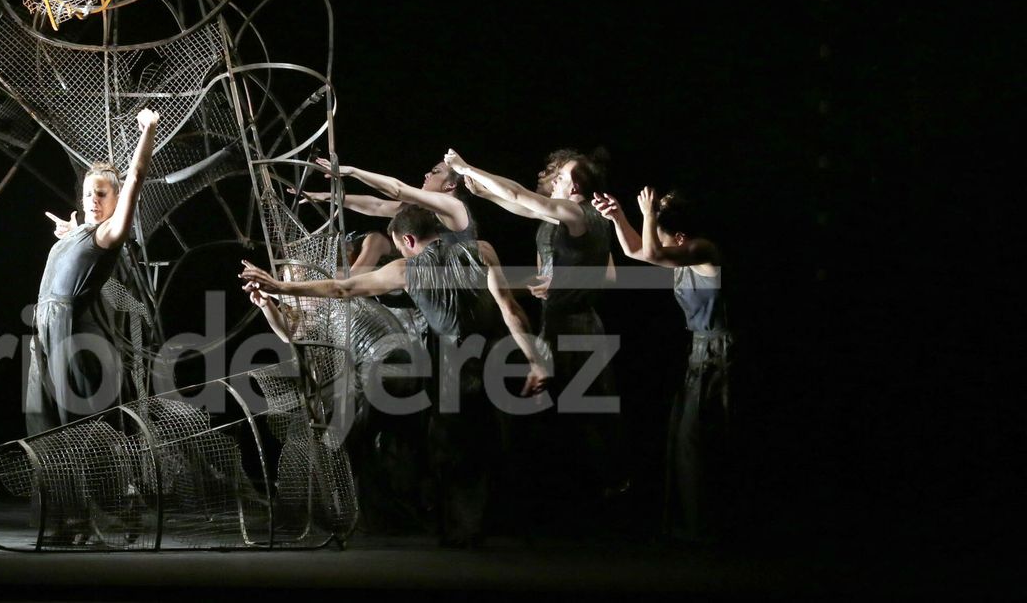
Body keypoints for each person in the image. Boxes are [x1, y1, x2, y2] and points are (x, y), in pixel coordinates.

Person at [241, 204, 543, 546]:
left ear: (409, 239)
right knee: (466, 439)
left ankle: (461, 528)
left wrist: (282, 288)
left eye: (400, 244)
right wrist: (534, 358)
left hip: (420, 365)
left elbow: (345, 285)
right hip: (483, 356)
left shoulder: (402, 270)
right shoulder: (481, 250)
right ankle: (445, 519)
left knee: (453, 444)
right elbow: (509, 308)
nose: (398, 250)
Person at [443, 147, 629, 505]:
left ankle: (599, 493)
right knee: (567, 410)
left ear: (575, 188)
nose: (555, 179)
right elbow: (521, 205)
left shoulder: (576, 212)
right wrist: (486, 191)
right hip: (567, 322)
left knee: (577, 415)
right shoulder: (577, 217)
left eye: (562, 176)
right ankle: (590, 491)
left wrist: (468, 167)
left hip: (575, 328)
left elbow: (518, 196)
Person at [594, 186, 730, 542]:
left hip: (721, 354)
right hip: (700, 353)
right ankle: (694, 526)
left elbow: (650, 251)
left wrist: (649, 214)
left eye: (665, 235)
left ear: (681, 237)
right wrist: (618, 216)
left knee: (702, 441)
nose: (658, 243)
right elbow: (638, 250)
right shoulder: (682, 252)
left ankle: (708, 528)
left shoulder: (704, 250)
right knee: (685, 441)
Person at [29, 107, 160, 435]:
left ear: (116, 200)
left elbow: (137, 177)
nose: (92, 200)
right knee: (46, 425)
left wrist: (148, 130)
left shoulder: (108, 233)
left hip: (71, 332)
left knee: (83, 423)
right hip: (44, 328)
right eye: (88, 193)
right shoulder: (80, 233)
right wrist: (70, 234)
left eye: (101, 194)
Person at [298, 156, 477, 272]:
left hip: (461, 291)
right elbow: (377, 206)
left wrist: (353, 171)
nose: (427, 174)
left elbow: (398, 190)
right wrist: (327, 196)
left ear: (450, 185)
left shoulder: (455, 208)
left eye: (435, 172)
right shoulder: (423, 211)